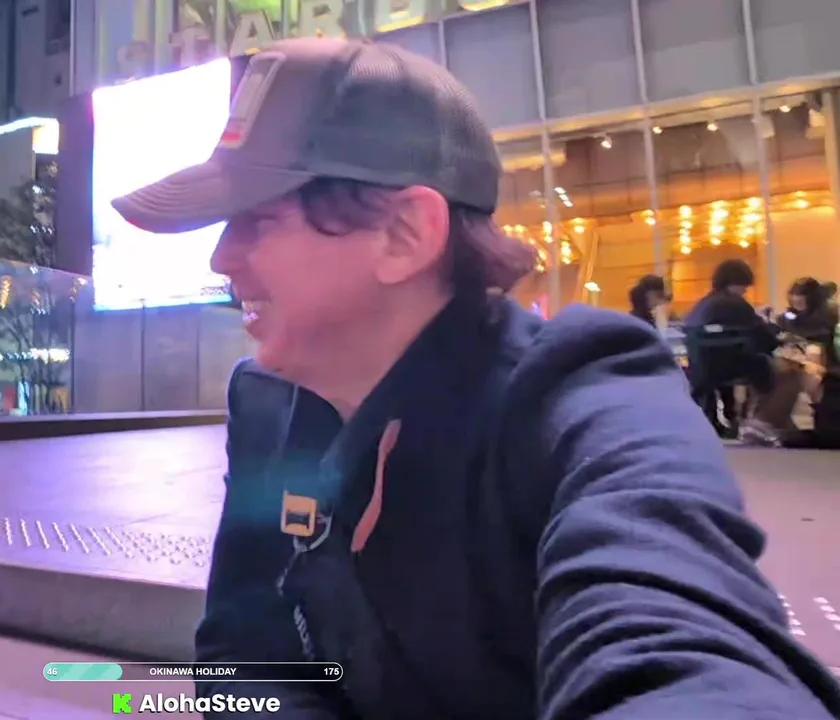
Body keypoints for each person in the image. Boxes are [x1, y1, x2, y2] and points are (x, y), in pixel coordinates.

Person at [112, 37, 840, 718]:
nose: (221, 259)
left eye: (257, 221)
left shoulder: (585, 391)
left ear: (405, 234)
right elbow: (248, 652)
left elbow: (676, 641)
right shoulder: (269, 400)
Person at [683, 259, 780, 439]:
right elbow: (765, 337)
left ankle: (732, 418)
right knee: (769, 366)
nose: (745, 291)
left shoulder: (702, 305)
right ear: (735, 283)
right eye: (744, 287)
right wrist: (771, 326)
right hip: (729, 366)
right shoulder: (736, 304)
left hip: (702, 367)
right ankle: (757, 419)